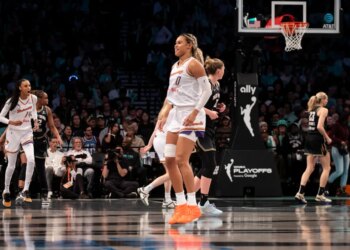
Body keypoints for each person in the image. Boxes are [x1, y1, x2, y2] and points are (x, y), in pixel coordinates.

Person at [159, 33, 212, 224]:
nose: (176, 45)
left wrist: (195, 111)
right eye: (175, 43)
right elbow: (170, 95)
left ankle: (192, 205)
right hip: (176, 114)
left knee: (182, 160)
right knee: (170, 160)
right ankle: (180, 205)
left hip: (191, 114)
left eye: (179, 43)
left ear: (189, 45)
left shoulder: (193, 64)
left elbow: (207, 90)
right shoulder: (175, 67)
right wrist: (165, 112)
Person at [17, 90, 63, 204]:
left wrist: (58, 137)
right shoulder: (27, 108)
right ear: (38, 99)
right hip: (28, 140)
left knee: (40, 168)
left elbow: (52, 126)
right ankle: (21, 191)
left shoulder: (47, 110)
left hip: (41, 141)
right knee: (26, 164)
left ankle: (44, 192)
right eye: (45, 98)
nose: (47, 100)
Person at [193, 57, 226, 216]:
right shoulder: (204, 83)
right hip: (200, 128)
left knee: (207, 166)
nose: (224, 71)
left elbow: (210, 103)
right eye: (224, 69)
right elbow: (194, 103)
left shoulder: (217, 85)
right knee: (210, 164)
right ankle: (203, 201)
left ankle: (188, 198)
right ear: (218, 71)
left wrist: (219, 107)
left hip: (211, 129)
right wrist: (209, 112)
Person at [0, 79, 38, 208]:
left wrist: (36, 120)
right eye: (26, 85)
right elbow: (0, 116)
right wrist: (11, 122)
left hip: (27, 132)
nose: (29, 87)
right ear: (20, 88)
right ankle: (6, 190)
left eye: (30, 85)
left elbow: (33, 111)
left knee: (31, 159)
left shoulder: (33, 98)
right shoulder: (11, 101)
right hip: (13, 133)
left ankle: (25, 189)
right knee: (11, 164)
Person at [295, 92, 332, 204]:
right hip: (318, 139)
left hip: (309, 138)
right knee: (327, 168)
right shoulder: (323, 110)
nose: (327, 102)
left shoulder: (312, 110)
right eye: (326, 100)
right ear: (323, 99)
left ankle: (300, 193)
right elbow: (319, 126)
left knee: (309, 168)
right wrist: (327, 138)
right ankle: (320, 194)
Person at [137, 118, 175, 209]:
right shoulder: (173, 109)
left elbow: (155, 130)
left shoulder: (165, 110)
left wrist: (149, 145)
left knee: (169, 173)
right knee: (174, 173)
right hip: (165, 141)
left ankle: (167, 200)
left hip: (160, 140)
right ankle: (145, 190)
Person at [328, 113, 350, 196]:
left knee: (346, 171)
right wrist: (340, 141)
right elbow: (331, 136)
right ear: (345, 118)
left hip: (345, 149)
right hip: (337, 148)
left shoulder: (347, 127)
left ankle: (342, 190)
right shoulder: (336, 125)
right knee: (340, 171)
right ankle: (325, 184)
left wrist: (346, 143)